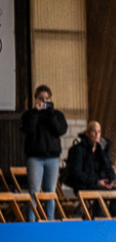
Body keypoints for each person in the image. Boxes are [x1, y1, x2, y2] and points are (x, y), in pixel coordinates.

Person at [21, 84, 68, 221]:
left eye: (46, 98)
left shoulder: (56, 114)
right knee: (34, 191)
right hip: (35, 157)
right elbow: (28, 129)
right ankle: (31, 222)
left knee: (50, 192)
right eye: (41, 98)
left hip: (52, 158)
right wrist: (36, 112)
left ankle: (49, 221)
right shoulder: (29, 114)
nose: (44, 101)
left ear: (50, 99)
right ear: (36, 99)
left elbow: (60, 130)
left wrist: (51, 114)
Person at [65, 120, 116, 218]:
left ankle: (115, 219)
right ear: (87, 133)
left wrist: (110, 180)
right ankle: (97, 219)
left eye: (99, 132)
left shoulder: (101, 149)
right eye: (94, 132)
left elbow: (109, 167)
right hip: (82, 185)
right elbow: (76, 173)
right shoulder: (78, 150)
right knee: (101, 193)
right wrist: (96, 182)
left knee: (115, 192)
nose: (97, 134)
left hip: (99, 184)